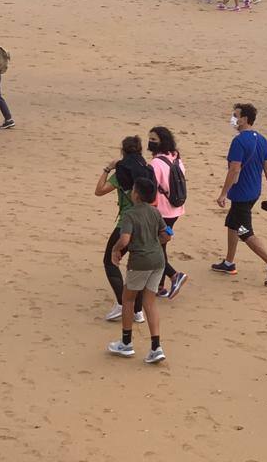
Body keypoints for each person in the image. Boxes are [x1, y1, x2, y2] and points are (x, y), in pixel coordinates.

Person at [211, 103, 267, 286]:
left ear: (245, 119)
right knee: (232, 223)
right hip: (253, 192)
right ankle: (229, 263)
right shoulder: (262, 140)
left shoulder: (238, 142)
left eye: (236, 115)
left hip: (241, 195)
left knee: (244, 231)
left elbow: (234, 170)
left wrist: (223, 194)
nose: (233, 119)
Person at [107, 178, 170, 363]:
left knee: (128, 299)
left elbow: (125, 239)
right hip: (158, 261)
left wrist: (115, 249)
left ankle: (126, 342)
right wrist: (153, 243)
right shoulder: (155, 212)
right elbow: (166, 236)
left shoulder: (130, 214)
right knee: (149, 303)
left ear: (136, 194)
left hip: (139, 262)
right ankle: (156, 347)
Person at [95, 137, 154, 323]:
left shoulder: (121, 173)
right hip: (146, 221)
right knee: (135, 266)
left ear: (123, 151)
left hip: (127, 223)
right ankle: (137, 310)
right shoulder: (146, 170)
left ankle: (122, 303)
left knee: (110, 261)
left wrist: (107, 169)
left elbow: (99, 190)